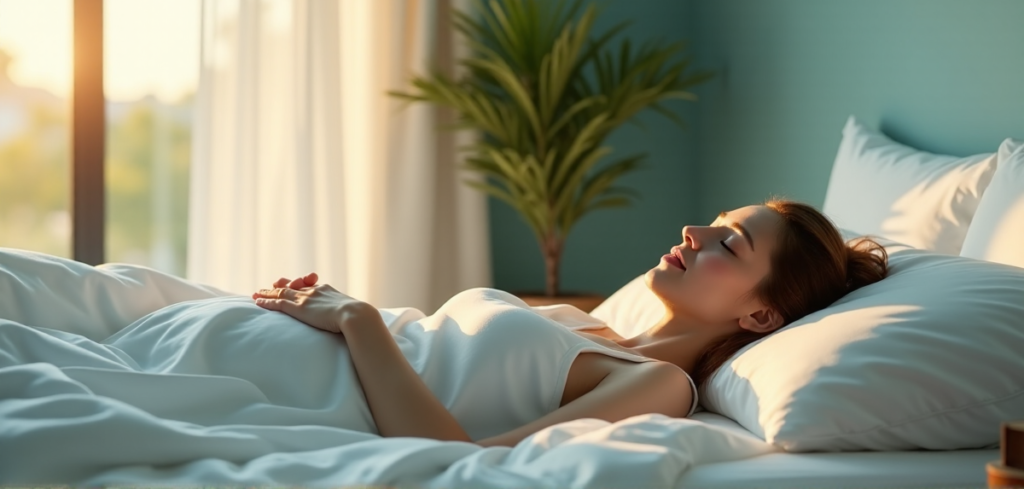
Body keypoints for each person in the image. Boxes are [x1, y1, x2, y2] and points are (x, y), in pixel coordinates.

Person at [251, 199, 889, 448]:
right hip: (278, 350)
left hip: (306, 391)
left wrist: (360, 320)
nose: (693, 231)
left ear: (762, 314)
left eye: (729, 244)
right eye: (713, 222)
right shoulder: (599, 328)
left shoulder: (664, 384)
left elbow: (461, 462)